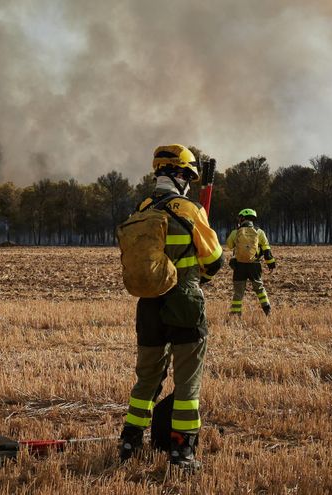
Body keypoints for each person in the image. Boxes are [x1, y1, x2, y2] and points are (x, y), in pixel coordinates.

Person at [119, 144, 224, 469]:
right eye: (188, 177)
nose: (190, 183)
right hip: (185, 305)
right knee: (187, 384)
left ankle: (129, 442)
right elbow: (215, 261)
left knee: (146, 380)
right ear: (180, 176)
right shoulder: (189, 209)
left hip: (148, 308)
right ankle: (183, 452)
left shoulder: (141, 208)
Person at [225, 208, 276, 316]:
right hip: (254, 265)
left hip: (239, 266)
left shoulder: (236, 232)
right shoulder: (259, 232)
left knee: (238, 292)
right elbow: (267, 249)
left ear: (242, 218)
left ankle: (235, 314)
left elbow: (229, 245)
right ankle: (267, 309)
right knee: (259, 288)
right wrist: (271, 264)